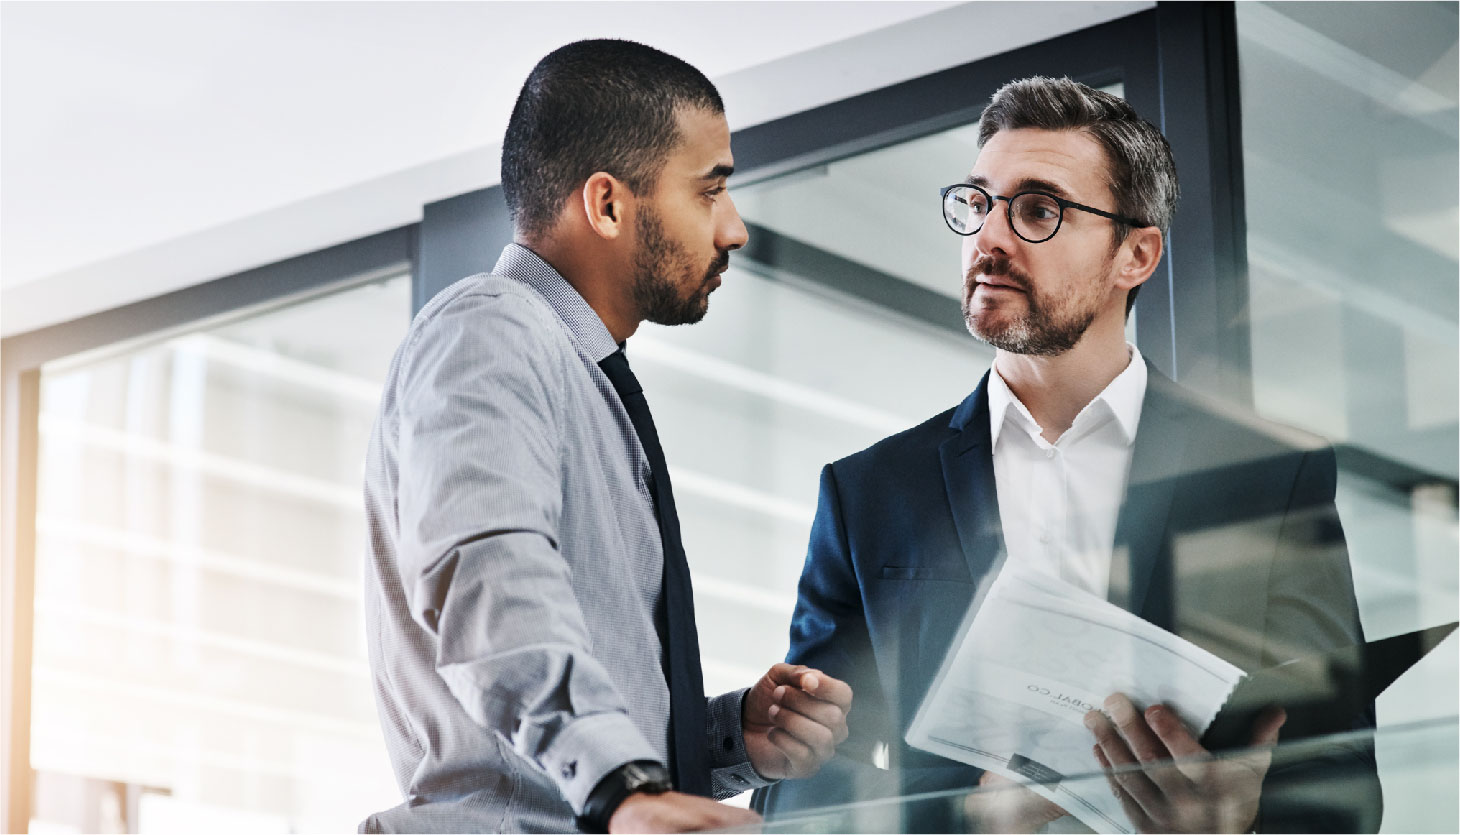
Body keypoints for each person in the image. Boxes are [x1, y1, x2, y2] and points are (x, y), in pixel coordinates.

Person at [753, 76, 1380, 833]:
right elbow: (801, 786)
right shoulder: (870, 493)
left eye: (1038, 210)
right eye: (978, 203)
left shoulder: (1267, 476)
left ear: (1136, 255)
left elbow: (1344, 785)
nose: (988, 237)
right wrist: (975, 822)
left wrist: (1236, 824)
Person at [360, 39, 852, 834]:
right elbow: (487, 574)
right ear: (608, 204)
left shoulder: (587, 384)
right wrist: (622, 785)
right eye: (710, 191)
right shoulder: (489, 330)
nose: (734, 229)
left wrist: (728, 737)